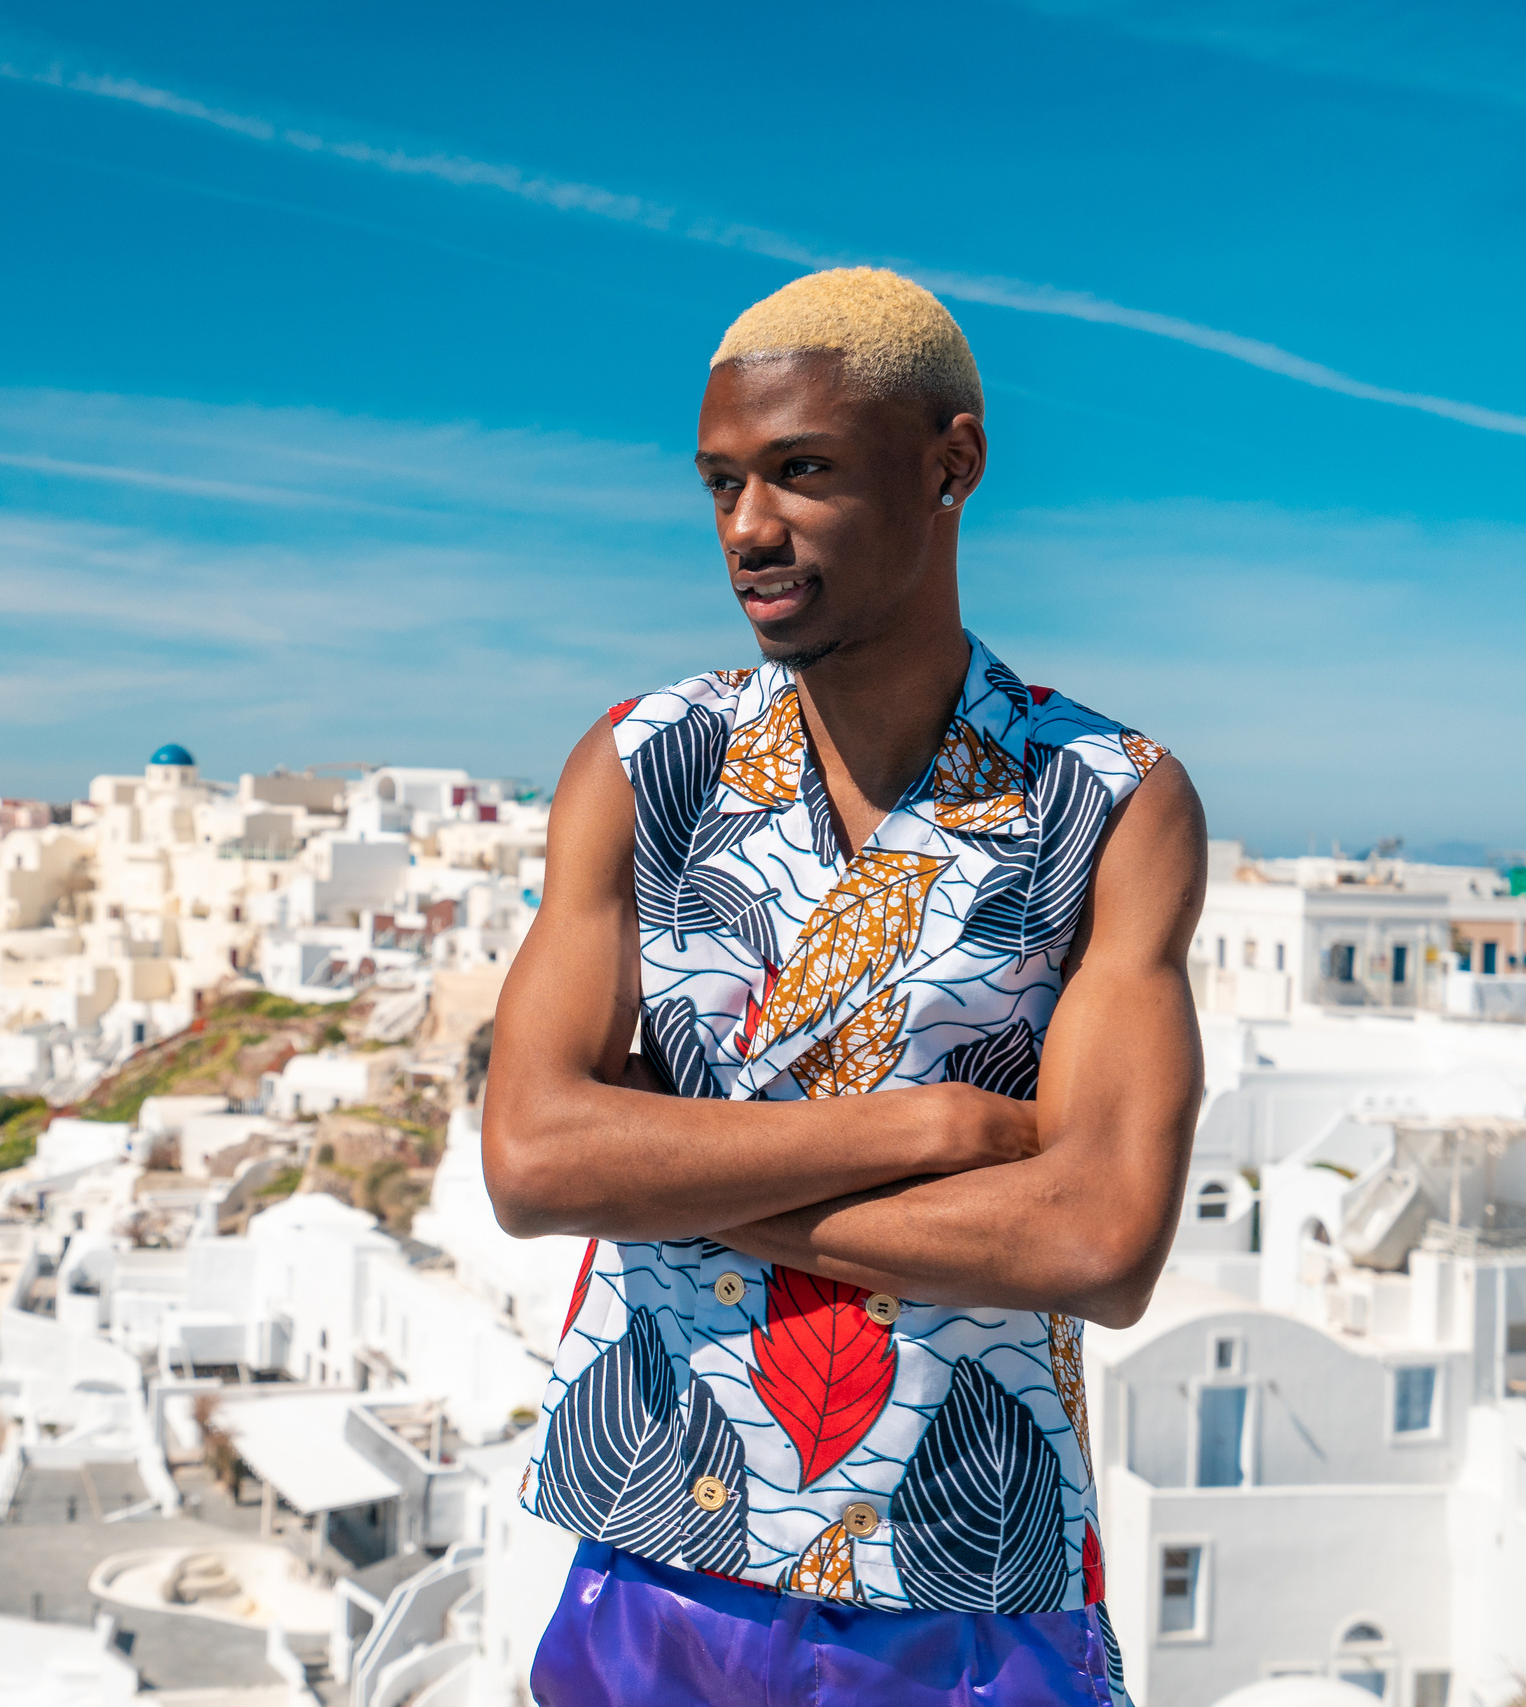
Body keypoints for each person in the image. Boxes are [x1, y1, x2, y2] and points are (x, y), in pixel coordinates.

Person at [484, 268, 1206, 1705]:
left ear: (953, 463)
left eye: (802, 472)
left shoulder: (1110, 801)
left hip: (967, 1584)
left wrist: (662, 1169)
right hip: (653, 1552)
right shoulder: (643, 763)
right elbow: (531, 1158)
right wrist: (933, 1133)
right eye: (722, 484)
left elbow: (1102, 1242)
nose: (750, 528)